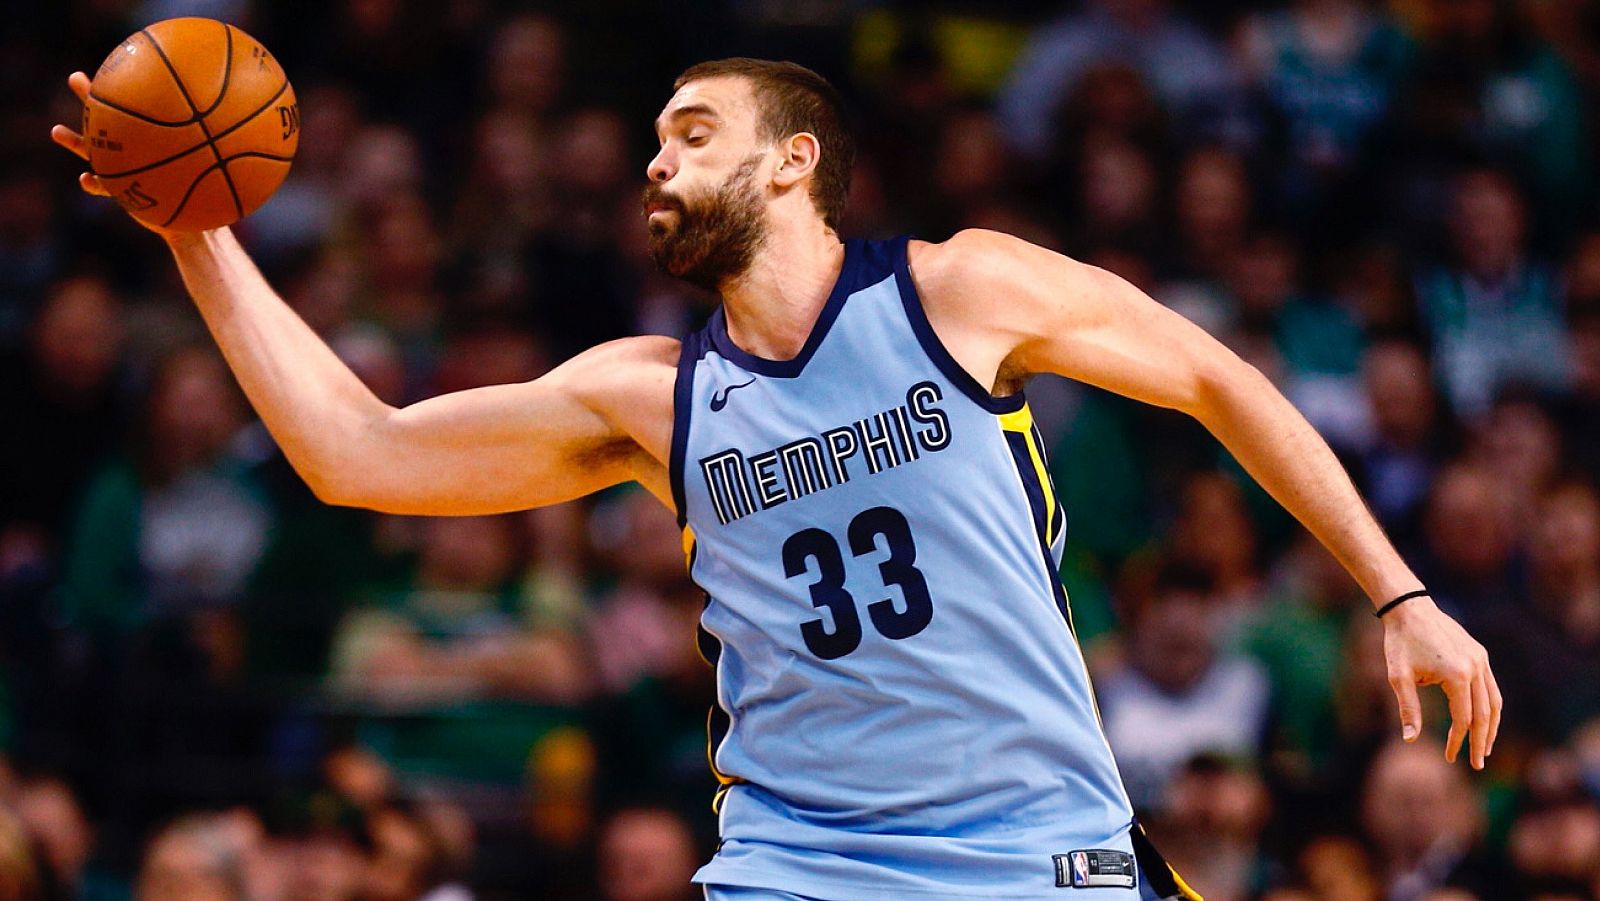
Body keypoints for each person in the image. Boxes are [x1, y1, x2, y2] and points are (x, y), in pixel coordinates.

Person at [51, 57, 1500, 901]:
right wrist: (192, 233)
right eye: (649, 144)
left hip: (1030, 850)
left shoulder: (962, 291)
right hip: (800, 865)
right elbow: (355, 452)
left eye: (691, 135)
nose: (654, 165)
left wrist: (1400, 585)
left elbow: (1221, 377)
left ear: (796, 160)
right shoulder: (654, 394)